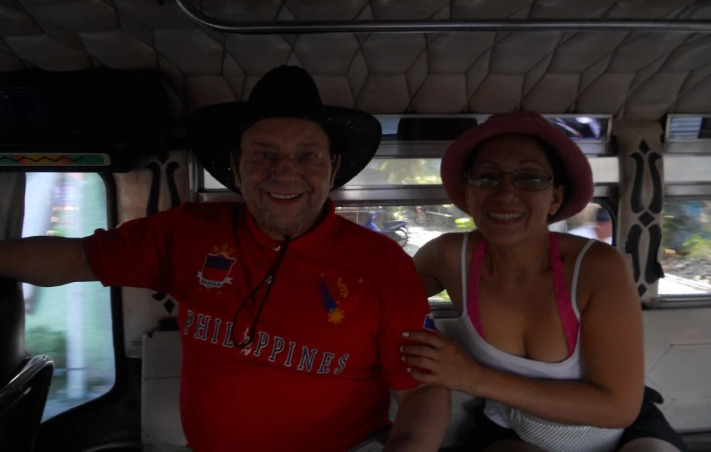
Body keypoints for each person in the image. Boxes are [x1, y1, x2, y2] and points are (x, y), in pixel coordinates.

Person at [0, 66, 450, 452]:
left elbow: (423, 390)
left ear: (332, 169)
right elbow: (78, 257)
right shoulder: (188, 233)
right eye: (263, 154)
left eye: (307, 156)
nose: (285, 171)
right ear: (235, 166)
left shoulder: (382, 264)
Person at [400, 112, 688, 452]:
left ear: (555, 198)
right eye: (487, 177)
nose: (506, 192)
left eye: (530, 178)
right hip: (513, 428)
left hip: (627, 431)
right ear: (468, 192)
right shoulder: (447, 257)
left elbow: (618, 408)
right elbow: (379, 300)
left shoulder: (596, 266)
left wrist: (472, 378)